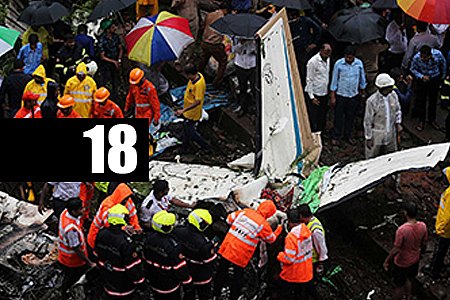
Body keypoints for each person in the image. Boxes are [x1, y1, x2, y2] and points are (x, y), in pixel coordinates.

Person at [214, 200, 282, 300]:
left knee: (221, 270)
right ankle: (233, 297)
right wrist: (279, 229)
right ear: (269, 213)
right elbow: (271, 240)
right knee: (238, 278)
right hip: (240, 254)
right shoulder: (263, 225)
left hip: (227, 246)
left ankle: (216, 292)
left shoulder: (245, 212)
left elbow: (228, 219)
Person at [95, 204, 145, 299]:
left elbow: (97, 255)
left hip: (107, 281)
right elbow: (132, 268)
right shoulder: (126, 242)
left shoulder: (101, 234)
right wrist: (142, 283)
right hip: (124, 287)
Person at [383, 202, 428, 300]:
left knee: (399, 286)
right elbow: (424, 243)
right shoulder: (423, 226)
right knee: (408, 279)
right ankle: (408, 297)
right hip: (414, 260)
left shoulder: (402, 230)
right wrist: (421, 253)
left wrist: (387, 261)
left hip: (401, 263)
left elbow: (396, 249)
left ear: (406, 213)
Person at [143, 210, 192, 299]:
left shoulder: (148, 238)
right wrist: (188, 284)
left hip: (154, 280)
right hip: (170, 286)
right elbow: (180, 269)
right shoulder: (173, 246)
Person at [172, 209, 217, 300]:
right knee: (204, 295)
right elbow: (211, 261)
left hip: (185, 273)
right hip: (201, 277)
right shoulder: (204, 244)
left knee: (188, 294)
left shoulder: (177, 231)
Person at [87, 183, 142, 251]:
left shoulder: (127, 201)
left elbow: (133, 215)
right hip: (99, 233)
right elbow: (108, 223)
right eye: (125, 199)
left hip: (114, 232)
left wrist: (136, 227)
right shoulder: (107, 205)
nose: (126, 201)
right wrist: (124, 228)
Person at [330, 45, 367, 145]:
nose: (348, 59)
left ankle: (349, 135)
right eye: (346, 57)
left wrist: (363, 91)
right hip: (341, 94)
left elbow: (362, 78)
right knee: (338, 117)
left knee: (351, 117)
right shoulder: (339, 64)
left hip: (353, 95)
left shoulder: (359, 64)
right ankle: (336, 136)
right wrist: (332, 95)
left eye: (350, 57)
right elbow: (334, 80)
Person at [277, 208, 317, 300]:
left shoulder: (291, 237)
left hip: (293, 274)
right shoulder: (306, 230)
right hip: (306, 271)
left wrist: (280, 256)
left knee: (282, 294)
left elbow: (289, 259)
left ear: (290, 222)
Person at [58, 198, 95, 294]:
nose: (83, 210)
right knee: (72, 278)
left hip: (65, 256)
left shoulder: (65, 212)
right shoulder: (71, 230)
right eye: (81, 209)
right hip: (72, 260)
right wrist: (89, 262)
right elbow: (76, 248)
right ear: (74, 211)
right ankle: (66, 292)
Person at [364, 73, 402, 159]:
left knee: (392, 155)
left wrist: (398, 123)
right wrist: (368, 138)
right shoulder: (372, 101)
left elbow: (398, 110)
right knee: (372, 156)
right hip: (377, 133)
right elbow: (367, 121)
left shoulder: (393, 96)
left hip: (391, 131)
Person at [410, 45, 447, 131]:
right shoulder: (416, 58)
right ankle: (421, 120)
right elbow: (413, 69)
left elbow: (443, 64)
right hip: (423, 81)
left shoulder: (438, 54)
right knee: (421, 100)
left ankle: (432, 120)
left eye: (425, 57)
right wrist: (421, 76)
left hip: (435, 79)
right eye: (422, 57)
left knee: (433, 100)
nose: (423, 59)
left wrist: (443, 76)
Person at [175, 64, 211, 153]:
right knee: (186, 129)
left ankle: (206, 146)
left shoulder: (198, 85)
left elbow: (197, 101)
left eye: (187, 75)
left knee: (191, 132)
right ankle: (185, 147)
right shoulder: (197, 76)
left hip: (192, 113)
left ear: (191, 74)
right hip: (188, 111)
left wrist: (183, 110)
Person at [426, 167, 450, 280]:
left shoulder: (449, 194)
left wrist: (440, 228)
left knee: (439, 251)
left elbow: (448, 216)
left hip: (446, 230)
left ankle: (433, 271)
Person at [198, 4, 228, 87]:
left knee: (204, 59)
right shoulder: (223, 18)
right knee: (223, 62)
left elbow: (203, 25)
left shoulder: (210, 14)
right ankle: (217, 83)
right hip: (215, 44)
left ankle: (198, 75)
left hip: (205, 42)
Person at [298, 204, 328, 285]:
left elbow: (322, 248)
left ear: (301, 216)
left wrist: (320, 263)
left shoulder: (315, 230)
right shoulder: (309, 222)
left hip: (314, 260)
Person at [305, 43, 332, 133]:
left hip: (324, 92)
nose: (327, 56)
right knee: (314, 116)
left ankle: (322, 131)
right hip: (315, 93)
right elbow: (309, 79)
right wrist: (312, 97)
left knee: (322, 114)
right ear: (321, 51)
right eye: (325, 54)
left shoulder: (327, 59)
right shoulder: (313, 62)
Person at [97, 19, 123, 101]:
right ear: (108, 29)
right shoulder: (102, 40)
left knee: (116, 83)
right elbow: (102, 56)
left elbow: (120, 48)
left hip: (116, 63)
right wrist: (113, 62)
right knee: (106, 83)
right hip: (106, 65)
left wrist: (119, 59)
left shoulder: (115, 37)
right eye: (112, 27)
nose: (115, 28)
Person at [233, 38, 257, 116]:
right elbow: (235, 50)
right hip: (240, 65)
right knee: (242, 87)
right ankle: (243, 107)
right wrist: (242, 43)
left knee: (254, 87)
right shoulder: (236, 38)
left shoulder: (254, 39)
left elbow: (257, 50)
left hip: (252, 65)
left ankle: (255, 106)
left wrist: (253, 47)